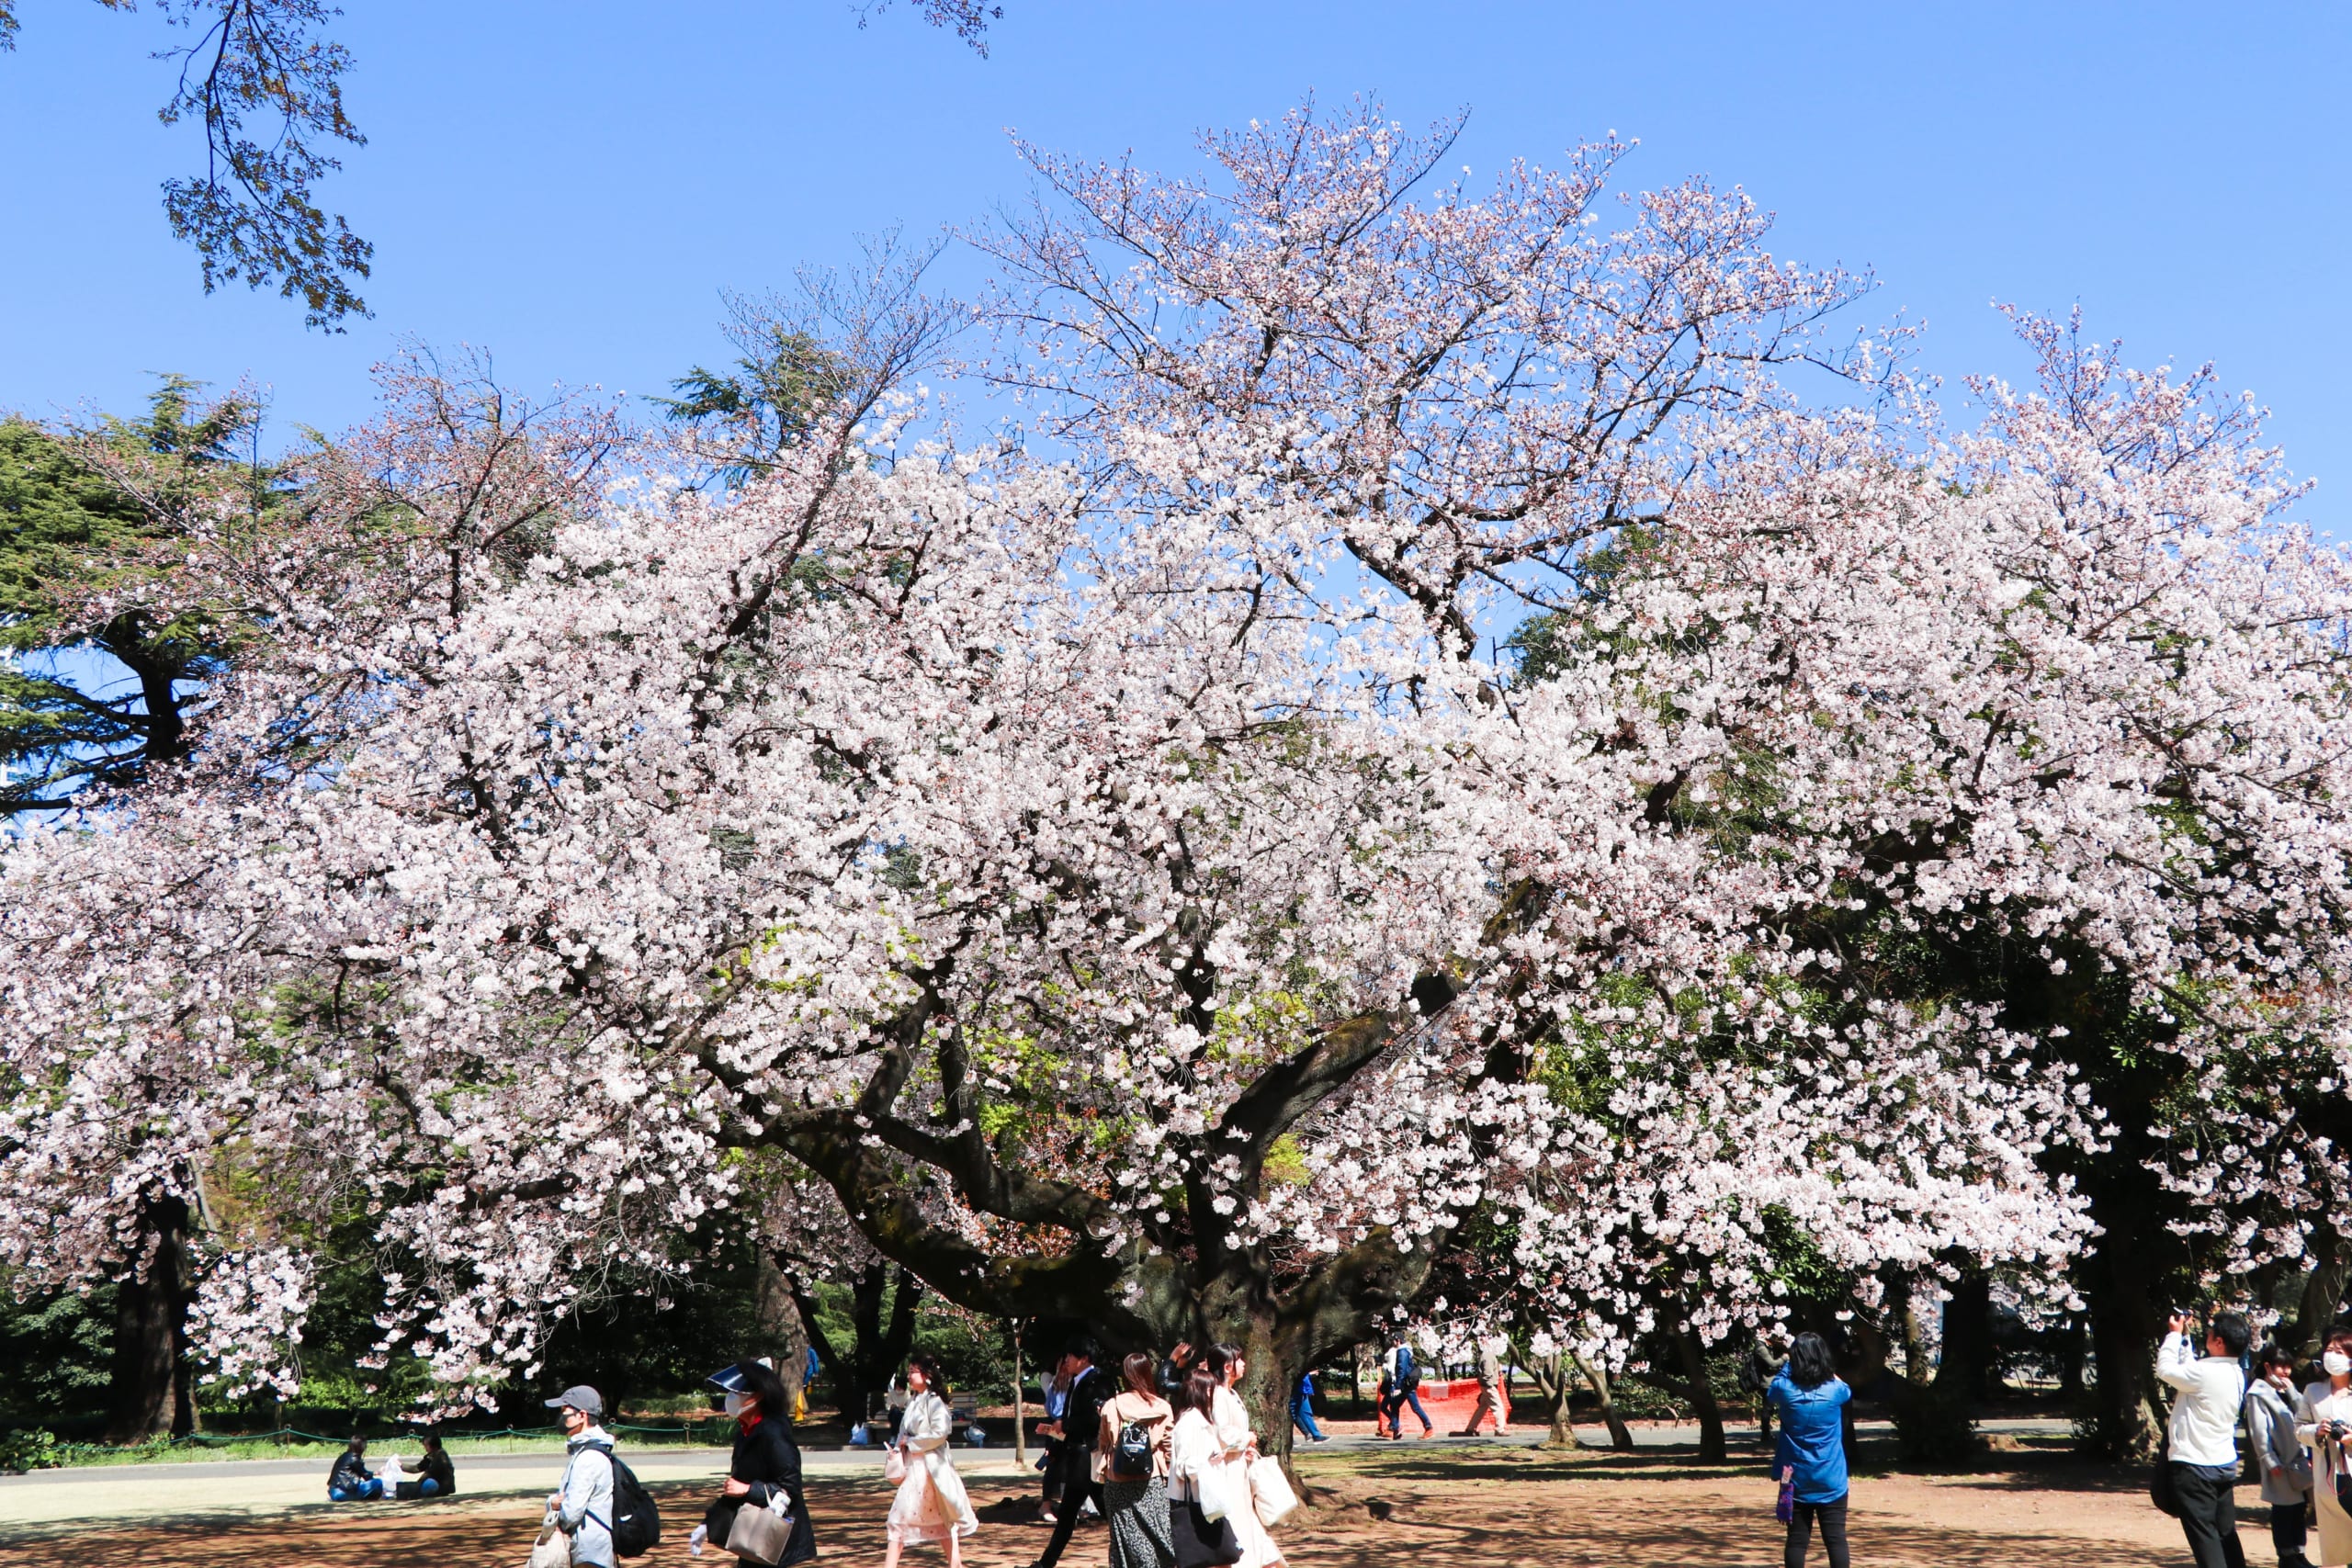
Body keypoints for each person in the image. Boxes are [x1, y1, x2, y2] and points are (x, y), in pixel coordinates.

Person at [691, 1359, 816, 1564]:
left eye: (738, 1394)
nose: (731, 1398)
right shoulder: (746, 1432)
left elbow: (790, 1486)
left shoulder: (774, 1432)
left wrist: (749, 1490)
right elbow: (736, 1486)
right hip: (751, 1534)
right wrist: (708, 1524)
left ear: (758, 1396)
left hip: (774, 1539)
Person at [2158, 1309, 2252, 1568]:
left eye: (2211, 1333)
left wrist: (2174, 1335)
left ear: (2219, 1342)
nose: (2207, 1335)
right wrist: (2185, 1339)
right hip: (2222, 1464)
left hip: (2194, 1467)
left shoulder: (2203, 1374)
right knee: (2225, 1534)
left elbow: (2166, 1370)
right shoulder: (2235, 1374)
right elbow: (2189, 1370)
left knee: (2205, 1538)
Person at [886, 1354, 978, 1568]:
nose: (908, 1376)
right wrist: (900, 1446)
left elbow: (941, 1432)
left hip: (930, 1469)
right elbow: (903, 1433)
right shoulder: (915, 1399)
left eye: (912, 1372)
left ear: (926, 1375)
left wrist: (912, 1442)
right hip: (915, 1468)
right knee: (914, 1519)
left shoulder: (934, 1401)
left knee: (912, 1518)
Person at [1769, 1332, 1852, 1568]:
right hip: (1832, 1476)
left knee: (1796, 1541)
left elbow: (1772, 1390)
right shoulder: (1835, 1390)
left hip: (1795, 1477)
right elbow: (1846, 1389)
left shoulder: (1785, 1390)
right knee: (1836, 1539)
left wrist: (1787, 1364)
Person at [1030, 1337, 1111, 1568]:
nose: (1066, 1361)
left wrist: (1065, 1425)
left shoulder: (1099, 1380)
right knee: (1068, 1513)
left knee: (1104, 1512)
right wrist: (1056, 1440)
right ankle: (1047, 1562)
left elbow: (1097, 1417)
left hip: (1089, 1456)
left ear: (1084, 1359)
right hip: (1076, 1457)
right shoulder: (1075, 1381)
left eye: (1070, 1357)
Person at [1204, 1343, 1285, 1568]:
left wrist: (1244, 1449)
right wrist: (1246, 1438)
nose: (1244, 1364)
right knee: (1237, 1523)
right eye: (1239, 1360)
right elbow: (1223, 1434)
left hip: (1238, 1469)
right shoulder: (1218, 1395)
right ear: (1228, 1367)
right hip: (1227, 1473)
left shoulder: (1231, 1394)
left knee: (1246, 1523)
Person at [1097, 1349, 1177, 1568]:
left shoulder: (1112, 1405)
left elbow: (1104, 1442)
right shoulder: (1162, 1407)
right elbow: (1169, 1445)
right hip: (1152, 1478)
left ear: (1125, 1376)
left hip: (1118, 1478)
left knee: (1125, 1538)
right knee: (1158, 1534)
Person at [2246, 1341, 2313, 1568]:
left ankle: (2299, 1553)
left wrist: (2292, 1390)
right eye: (2280, 1367)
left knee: (2298, 1509)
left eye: (2288, 1367)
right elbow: (2258, 1430)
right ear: (2267, 1366)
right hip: (2280, 1462)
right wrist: (2268, 1459)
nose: (2285, 1372)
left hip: (2298, 1461)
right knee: (2284, 1510)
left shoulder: (2285, 1391)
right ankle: (2286, 1556)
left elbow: (2304, 1413)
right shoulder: (2258, 1394)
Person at [544, 1385, 616, 1568]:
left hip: (589, 1552)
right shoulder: (588, 1451)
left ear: (582, 1416)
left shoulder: (588, 1458)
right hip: (592, 1549)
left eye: (564, 1411)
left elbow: (571, 1513)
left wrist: (553, 1504)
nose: (561, 1418)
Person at [2300, 1329, 2352, 1568]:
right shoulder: (2313, 1391)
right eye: (2329, 1350)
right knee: (2337, 1549)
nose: (2332, 1355)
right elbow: (2298, 1428)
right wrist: (2316, 1431)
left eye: (2339, 1351)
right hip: (2329, 1478)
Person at [1455, 1337, 1510, 1437]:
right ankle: (1499, 1429)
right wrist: (1489, 1384)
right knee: (1499, 1407)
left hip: (1486, 1385)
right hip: (1489, 1385)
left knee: (1483, 1407)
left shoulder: (1487, 1354)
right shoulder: (1489, 1355)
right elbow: (1487, 1372)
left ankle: (1470, 1428)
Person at [1740, 1333, 1785, 1449]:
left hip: (1771, 1381)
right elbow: (1772, 1363)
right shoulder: (1761, 1347)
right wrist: (1784, 1358)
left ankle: (1768, 1434)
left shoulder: (1766, 1345)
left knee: (1770, 1408)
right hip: (1767, 1383)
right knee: (1767, 1409)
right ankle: (1765, 1435)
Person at [1381, 1338, 1431, 1439]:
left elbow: (1401, 1369)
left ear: (1398, 1340)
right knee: (1394, 1405)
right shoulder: (1405, 1351)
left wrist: (1398, 1386)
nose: (1392, 1342)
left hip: (1406, 1385)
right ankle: (1394, 1428)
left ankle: (1429, 1428)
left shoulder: (1402, 1352)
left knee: (1415, 1407)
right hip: (1406, 1385)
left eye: (1394, 1340)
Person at [393, 1433, 457, 1500]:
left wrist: (415, 1487)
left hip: (442, 1487)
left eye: (426, 1445)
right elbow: (417, 1468)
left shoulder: (440, 1456)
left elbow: (429, 1474)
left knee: (429, 1483)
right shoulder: (432, 1455)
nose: (424, 1448)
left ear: (433, 1445)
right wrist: (401, 1465)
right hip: (438, 1484)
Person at [327, 1435, 382, 1501]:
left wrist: (373, 1473)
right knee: (378, 1482)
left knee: (363, 1484)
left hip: (333, 1490)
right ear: (361, 1446)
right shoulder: (354, 1458)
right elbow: (366, 1476)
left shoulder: (344, 1456)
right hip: (342, 1493)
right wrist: (377, 1473)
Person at [1291, 1371, 1328, 1444]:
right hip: (1295, 1390)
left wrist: (1309, 1390)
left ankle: (1316, 1436)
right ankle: (1303, 1435)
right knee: (1292, 1414)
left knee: (1307, 1413)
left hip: (1303, 1390)